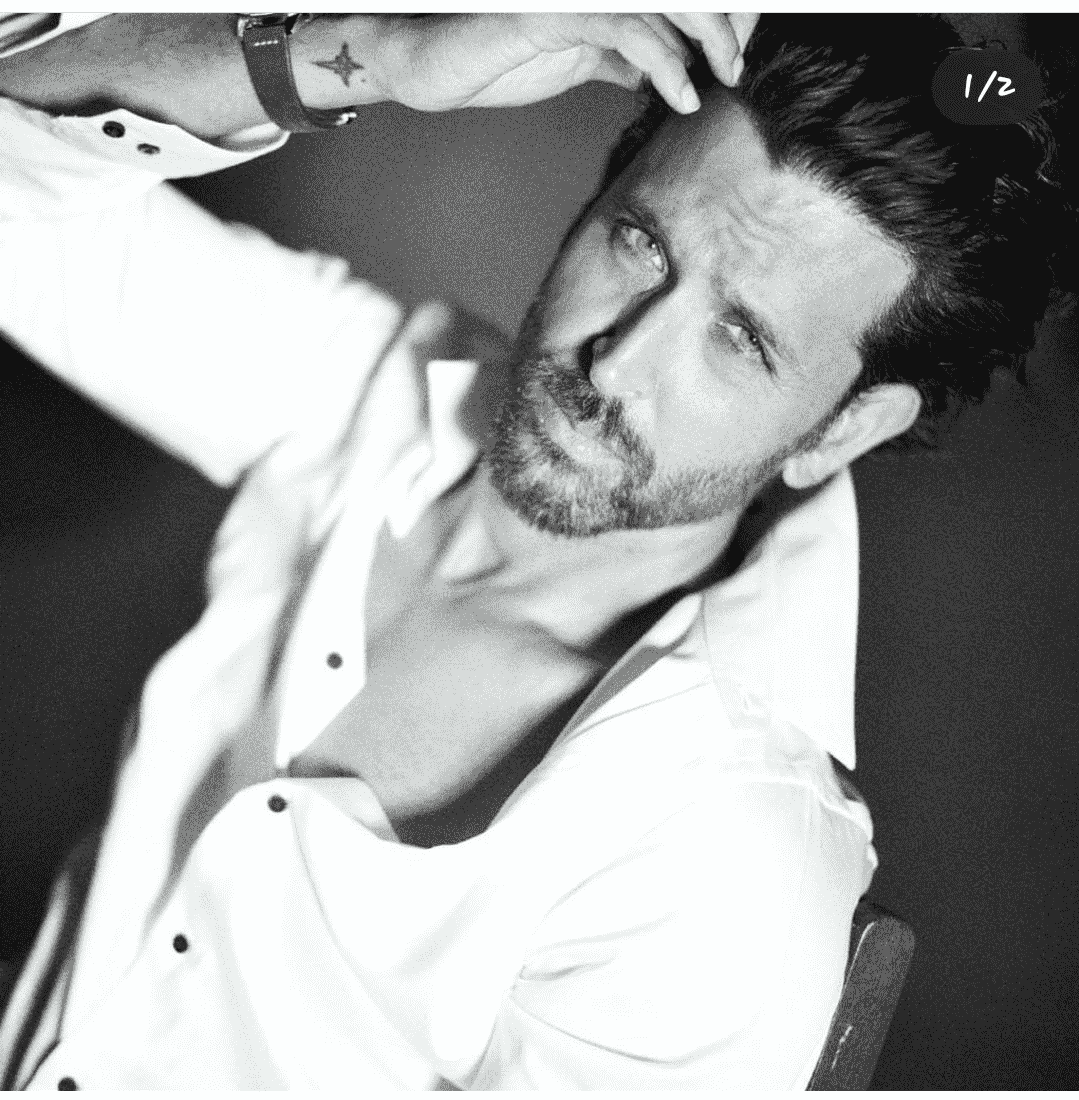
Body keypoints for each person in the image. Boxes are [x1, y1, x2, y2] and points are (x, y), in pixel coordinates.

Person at [0, 12, 1065, 1091]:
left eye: (739, 339)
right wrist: (375, 50)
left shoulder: (726, 853)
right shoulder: (370, 392)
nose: (615, 363)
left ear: (842, 427)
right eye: (640, 244)